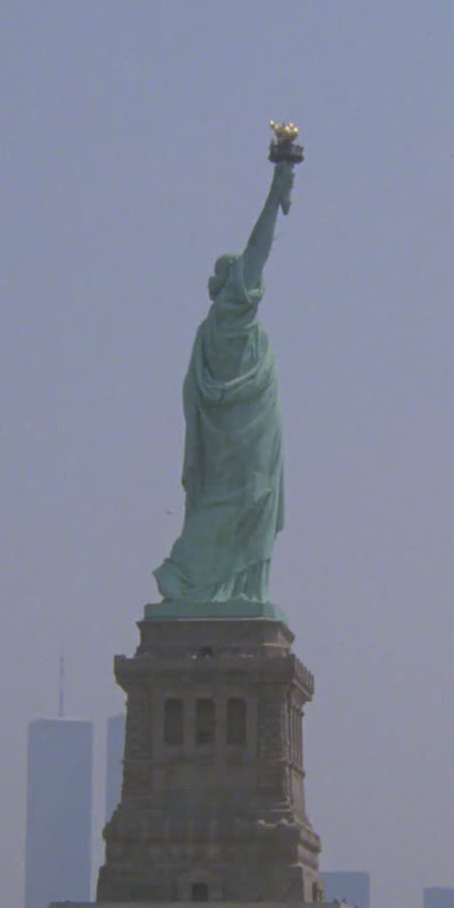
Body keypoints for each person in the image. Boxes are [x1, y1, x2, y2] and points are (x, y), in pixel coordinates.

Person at [152, 152, 299, 610]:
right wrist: (275, 195)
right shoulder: (230, 320)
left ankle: (227, 590)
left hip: (234, 436)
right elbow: (258, 250)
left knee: (238, 505)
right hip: (241, 442)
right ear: (231, 287)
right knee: (244, 502)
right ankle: (196, 580)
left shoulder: (213, 332)